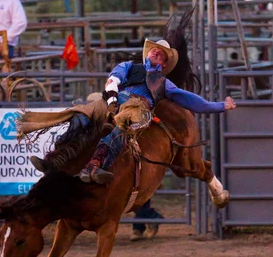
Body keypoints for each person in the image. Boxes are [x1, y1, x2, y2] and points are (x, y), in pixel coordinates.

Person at [59, 38, 237, 185]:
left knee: (121, 130)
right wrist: (112, 96)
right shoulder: (128, 66)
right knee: (80, 116)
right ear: (148, 53)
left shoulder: (164, 84)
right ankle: (57, 158)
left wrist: (221, 105)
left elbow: (193, 101)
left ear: (164, 63)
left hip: (137, 109)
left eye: (162, 54)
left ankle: (95, 164)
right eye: (154, 50)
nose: (157, 52)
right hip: (113, 100)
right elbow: (113, 78)